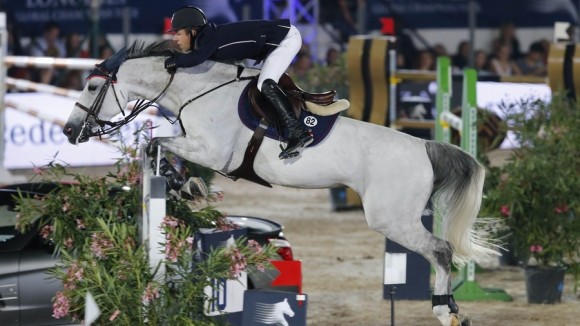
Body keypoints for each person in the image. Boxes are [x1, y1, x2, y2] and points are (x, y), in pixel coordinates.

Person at [164, 6, 313, 160]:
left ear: (193, 31)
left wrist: (172, 61)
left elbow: (195, 59)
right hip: (281, 40)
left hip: (287, 39)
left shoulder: (206, 38)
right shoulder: (207, 39)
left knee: (265, 83)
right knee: (262, 82)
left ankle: (298, 133)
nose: (175, 38)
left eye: (179, 33)